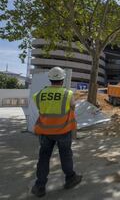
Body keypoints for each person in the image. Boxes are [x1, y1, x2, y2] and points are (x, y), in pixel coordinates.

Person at [31, 67, 82, 197]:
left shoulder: (40, 94)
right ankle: (70, 178)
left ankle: (39, 186)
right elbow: (73, 107)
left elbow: (40, 108)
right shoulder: (68, 94)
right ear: (62, 79)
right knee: (65, 155)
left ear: (50, 79)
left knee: (43, 158)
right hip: (63, 131)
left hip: (45, 132)